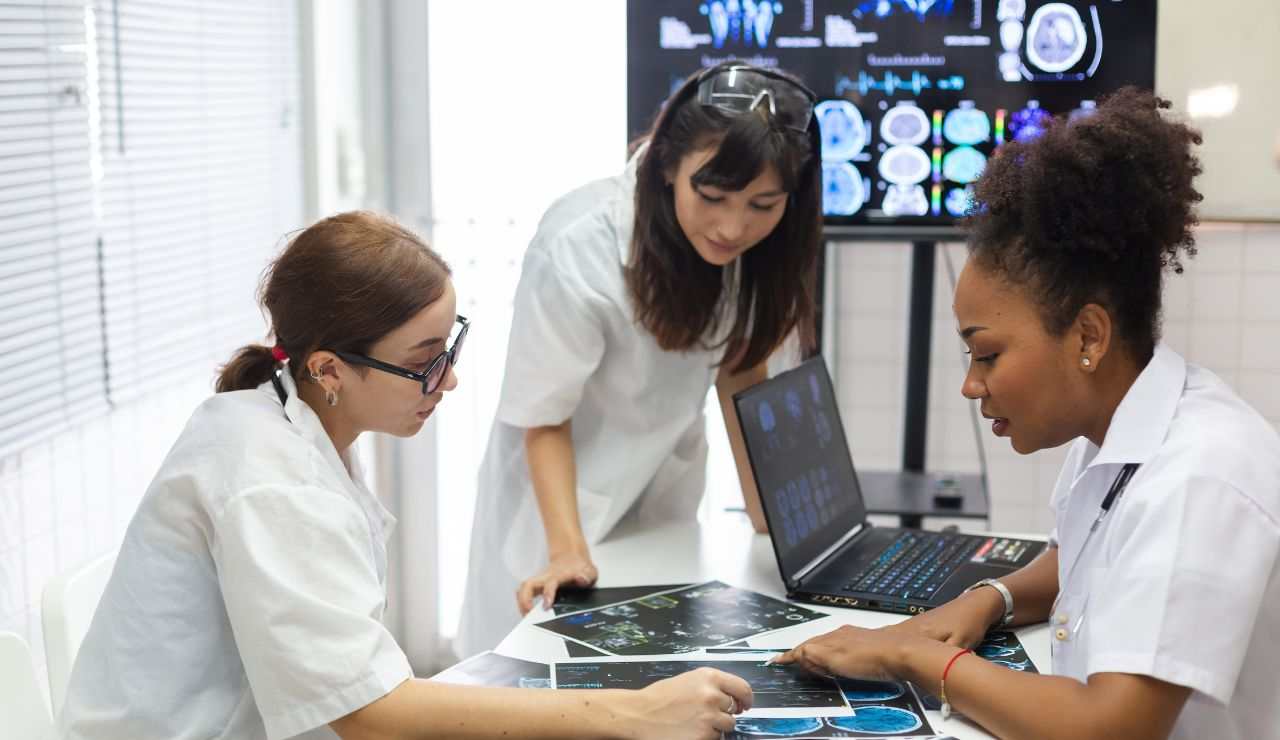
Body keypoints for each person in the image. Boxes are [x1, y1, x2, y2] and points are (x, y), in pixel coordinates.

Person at [58, 212, 753, 740]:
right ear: (329, 369)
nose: (446, 380)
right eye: (423, 360)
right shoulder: (269, 477)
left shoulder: (292, 419)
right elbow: (363, 711)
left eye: (449, 346)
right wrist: (633, 713)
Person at [774, 89, 1280, 740]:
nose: (970, 385)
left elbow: (1107, 730)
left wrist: (915, 656)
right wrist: (990, 599)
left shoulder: (1199, 477)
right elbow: (1087, 557)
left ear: (1088, 338)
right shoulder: (1123, 427)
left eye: (987, 354)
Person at [458, 62, 825, 655]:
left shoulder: (757, 247)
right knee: (534, 688)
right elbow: (544, 417)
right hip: (560, 507)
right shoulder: (580, 244)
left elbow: (740, 372)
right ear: (665, 167)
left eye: (764, 203)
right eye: (712, 195)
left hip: (658, 500)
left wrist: (781, 527)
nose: (734, 226)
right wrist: (567, 551)